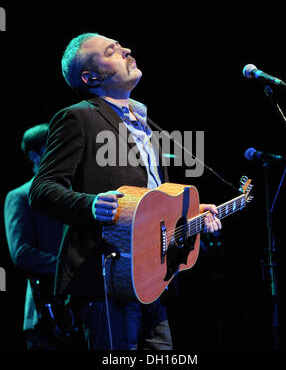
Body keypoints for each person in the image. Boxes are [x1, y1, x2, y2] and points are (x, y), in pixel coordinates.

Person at [29, 33, 222, 350]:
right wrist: (91, 205)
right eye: (112, 51)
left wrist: (189, 215)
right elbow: (42, 189)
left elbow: (152, 200)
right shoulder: (78, 117)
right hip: (109, 279)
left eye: (121, 46)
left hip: (152, 280)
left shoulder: (145, 123)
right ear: (90, 77)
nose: (127, 50)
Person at [4, 124, 64, 350]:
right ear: (34, 156)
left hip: (79, 311)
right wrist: (69, 265)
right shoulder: (19, 196)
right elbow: (22, 254)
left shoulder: (74, 194)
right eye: (54, 147)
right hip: (45, 315)